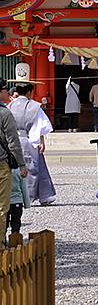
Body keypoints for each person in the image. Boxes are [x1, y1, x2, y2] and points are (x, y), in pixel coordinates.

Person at [7, 66, 55, 206]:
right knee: (35, 168)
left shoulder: (9, 106)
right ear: (29, 91)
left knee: (15, 169)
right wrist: (41, 141)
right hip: (29, 140)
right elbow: (41, 126)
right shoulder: (35, 106)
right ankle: (38, 196)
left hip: (14, 140)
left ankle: (17, 196)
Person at [0, 78, 27, 246]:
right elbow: (13, 142)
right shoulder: (4, 113)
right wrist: (22, 164)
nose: (7, 92)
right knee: (2, 207)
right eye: (4, 89)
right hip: (1, 164)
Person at [6, 163, 31, 239]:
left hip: (4, 201)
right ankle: (15, 240)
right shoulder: (19, 171)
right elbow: (24, 188)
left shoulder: (3, 171)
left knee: (4, 223)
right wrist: (27, 204)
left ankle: (2, 241)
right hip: (17, 201)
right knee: (16, 222)